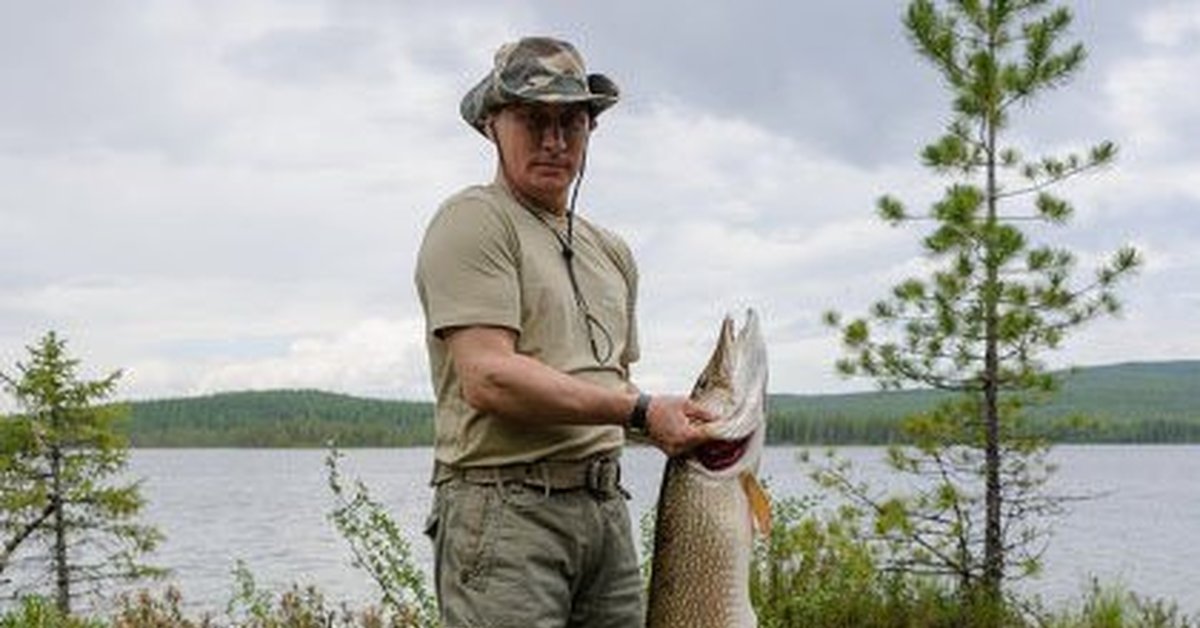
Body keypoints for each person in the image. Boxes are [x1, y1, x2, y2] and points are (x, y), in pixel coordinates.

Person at [414, 36, 716, 627]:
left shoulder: (611, 251)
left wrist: (689, 425)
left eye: (571, 122)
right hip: (505, 512)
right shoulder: (474, 221)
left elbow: (610, 385)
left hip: (606, 510)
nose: (554, 141)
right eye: (533, 119)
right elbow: (489, 378)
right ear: (492, 124)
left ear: (589, 131)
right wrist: (643, 412)